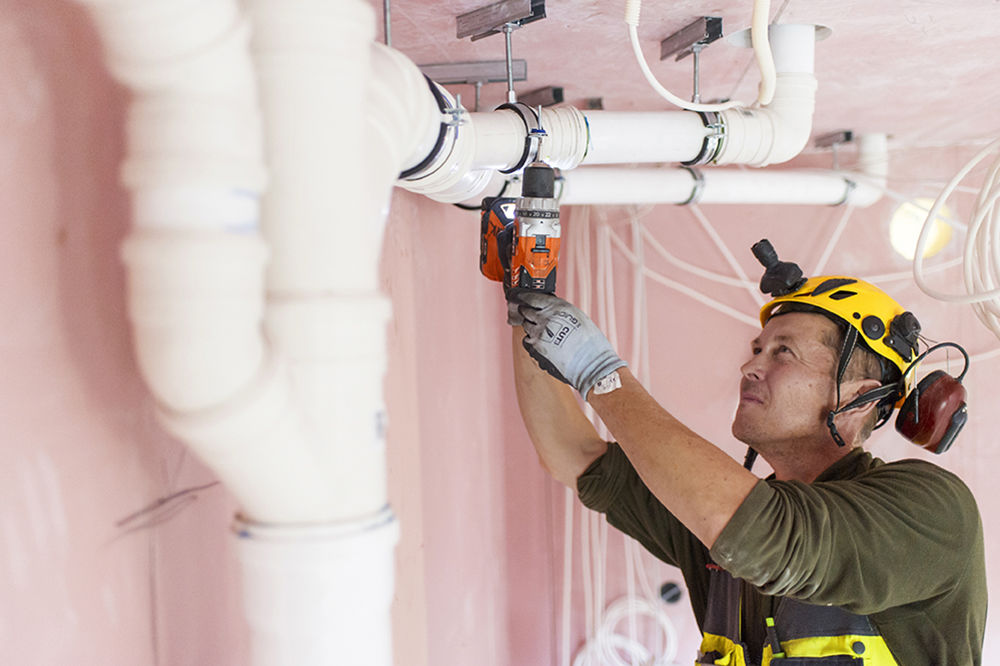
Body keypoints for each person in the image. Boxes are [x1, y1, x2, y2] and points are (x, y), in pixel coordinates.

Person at [508, 265, 987, 665]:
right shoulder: (720, 527)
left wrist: (599, 372)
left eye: (783, 353)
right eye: (758, 349)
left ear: (858, 400)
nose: (750, 367)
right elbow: (575, 454)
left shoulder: (931, 510)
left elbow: (770, 535)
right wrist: (526, 306)